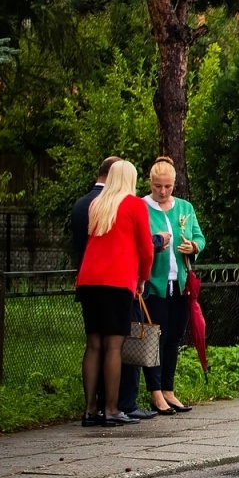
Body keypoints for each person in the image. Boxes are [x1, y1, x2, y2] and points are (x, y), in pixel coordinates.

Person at [74, 160, 154, 427]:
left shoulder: (98, 204)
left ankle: (90, 410)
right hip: (117, 280)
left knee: (94, 343)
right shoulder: (134, 205)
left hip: (88, 280)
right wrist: (143, 278)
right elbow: (146, 248)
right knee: (114, 346)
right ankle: (112, 408)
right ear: (129, 179)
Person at [140, 157, 205, 415]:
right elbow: (139, 241)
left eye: (167, 186)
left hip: (180, 285)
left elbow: (199, 235)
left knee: (174, 339)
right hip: (154, 284)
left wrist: (194, 246)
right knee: (156, 337)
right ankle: (155, 392)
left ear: (174, 184)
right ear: (150, 183)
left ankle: (168, 389)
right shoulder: (141, 207)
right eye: (158, 186)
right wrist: (155, 244)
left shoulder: (185, 208)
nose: (163, 191)